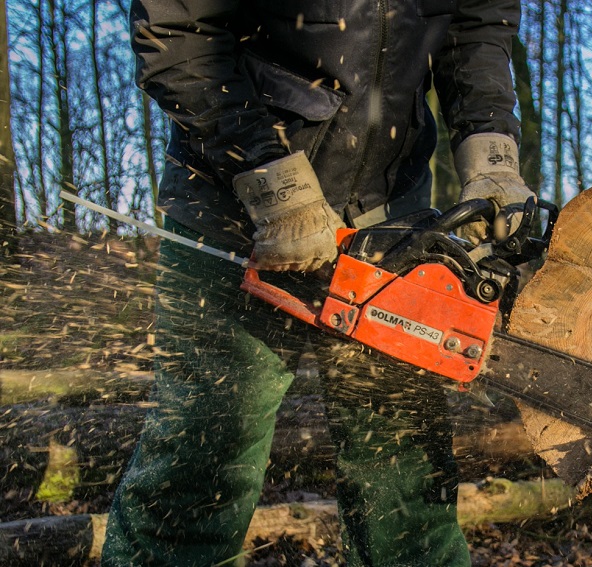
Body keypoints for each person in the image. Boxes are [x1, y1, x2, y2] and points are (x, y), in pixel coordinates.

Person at [102, 0, 534, 565]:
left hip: (392, 216)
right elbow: (177, 26)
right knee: (199, 461)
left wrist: (491, 153)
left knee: (405, 480)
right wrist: (267, 173)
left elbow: (477, 25)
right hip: (233, 208)